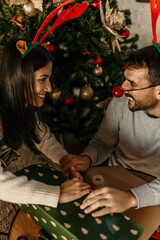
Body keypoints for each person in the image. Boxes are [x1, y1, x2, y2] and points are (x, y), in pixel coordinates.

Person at [60, 44, 160, 217]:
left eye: (132, 83)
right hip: (115, 175)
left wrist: (130, 198)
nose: (122, 87)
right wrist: (88, 157)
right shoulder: (122, 102)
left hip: (153, 189)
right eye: (125, 79)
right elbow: (104, 142)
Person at [0, 37, 91, 208]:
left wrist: (64, 160)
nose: (49, 88)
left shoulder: (19, 103)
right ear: (20, 78)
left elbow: (41, 134)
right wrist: (57, 194)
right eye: (42, 79)